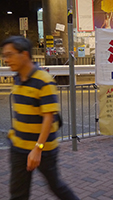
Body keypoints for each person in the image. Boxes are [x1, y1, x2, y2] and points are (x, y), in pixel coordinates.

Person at [1, 36, 80, 200]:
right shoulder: (17, 78)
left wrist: (38, 148)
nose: (6, 60)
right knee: (18, 193)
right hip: (19, 147)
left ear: (24, 54)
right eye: (4, 56)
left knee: (56, 186)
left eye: (9, 54)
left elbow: (48, 117)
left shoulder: (43, 81)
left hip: (44, 150)